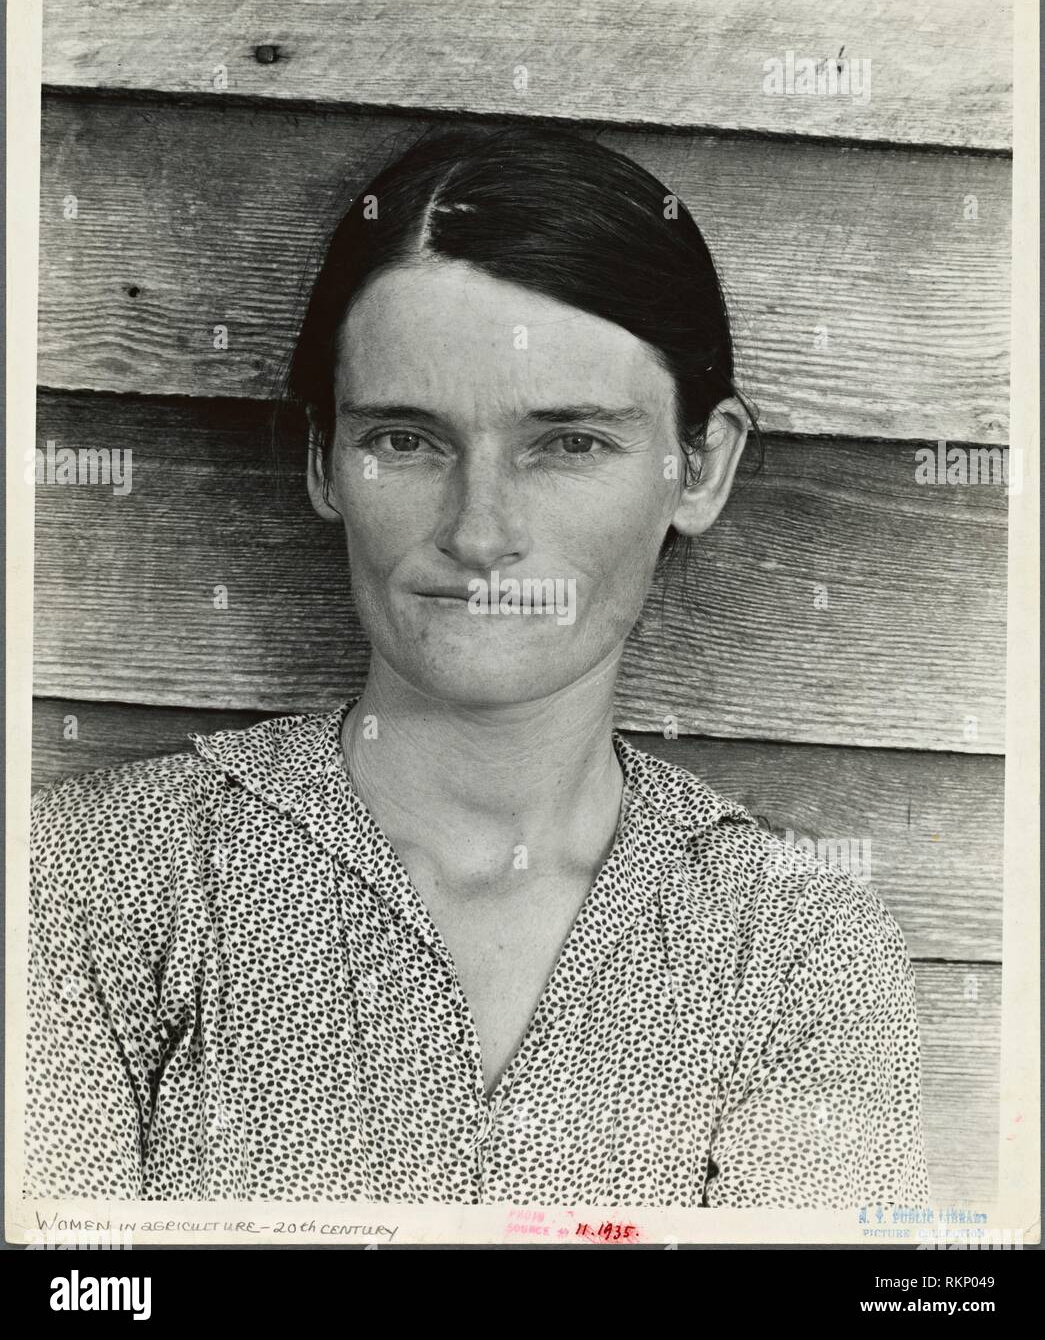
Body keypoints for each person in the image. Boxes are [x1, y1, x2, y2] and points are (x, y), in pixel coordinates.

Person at [24, 125, 931, 1208]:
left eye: (569, 443)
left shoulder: (795, 943)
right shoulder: (89, 881)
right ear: (326, 461)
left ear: (700, 466)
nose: (480, 532)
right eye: (406, 440)